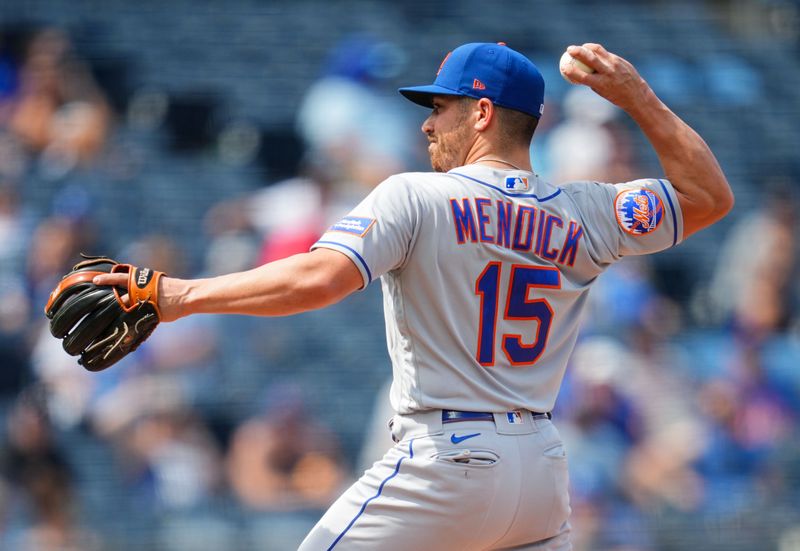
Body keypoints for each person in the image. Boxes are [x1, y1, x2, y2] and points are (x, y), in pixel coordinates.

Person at [94, 42, 733, 550]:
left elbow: (320, 279)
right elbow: (709, 198)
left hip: (444, 462)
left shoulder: (415, 195)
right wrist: (634, 95)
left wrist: (175, 294)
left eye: (442, 107)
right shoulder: (586, 210)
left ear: (482, 113)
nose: (428, 124)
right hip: (539, 471)